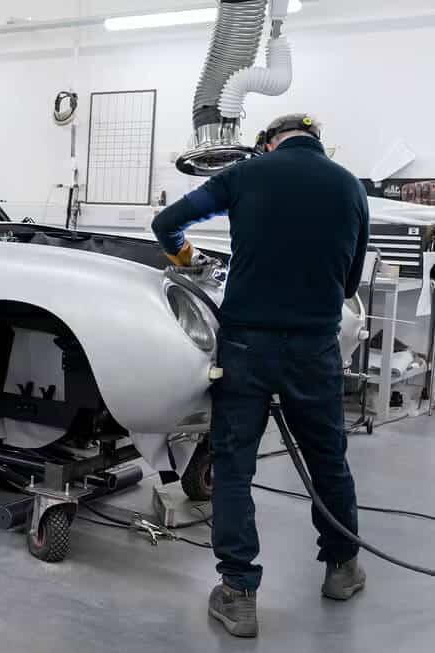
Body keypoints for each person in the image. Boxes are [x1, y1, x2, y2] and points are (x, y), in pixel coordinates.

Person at [151, 114, 370, 638]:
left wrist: (188, 257)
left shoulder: (246, 175)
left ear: (269, 142)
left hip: (247, 344)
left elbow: (167, 225)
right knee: (328, 460)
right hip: (315, 347)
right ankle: (342, 568)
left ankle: (239, 593)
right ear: (318, 142)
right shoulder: (350, 188)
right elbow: (349, 283)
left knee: (234, 466)